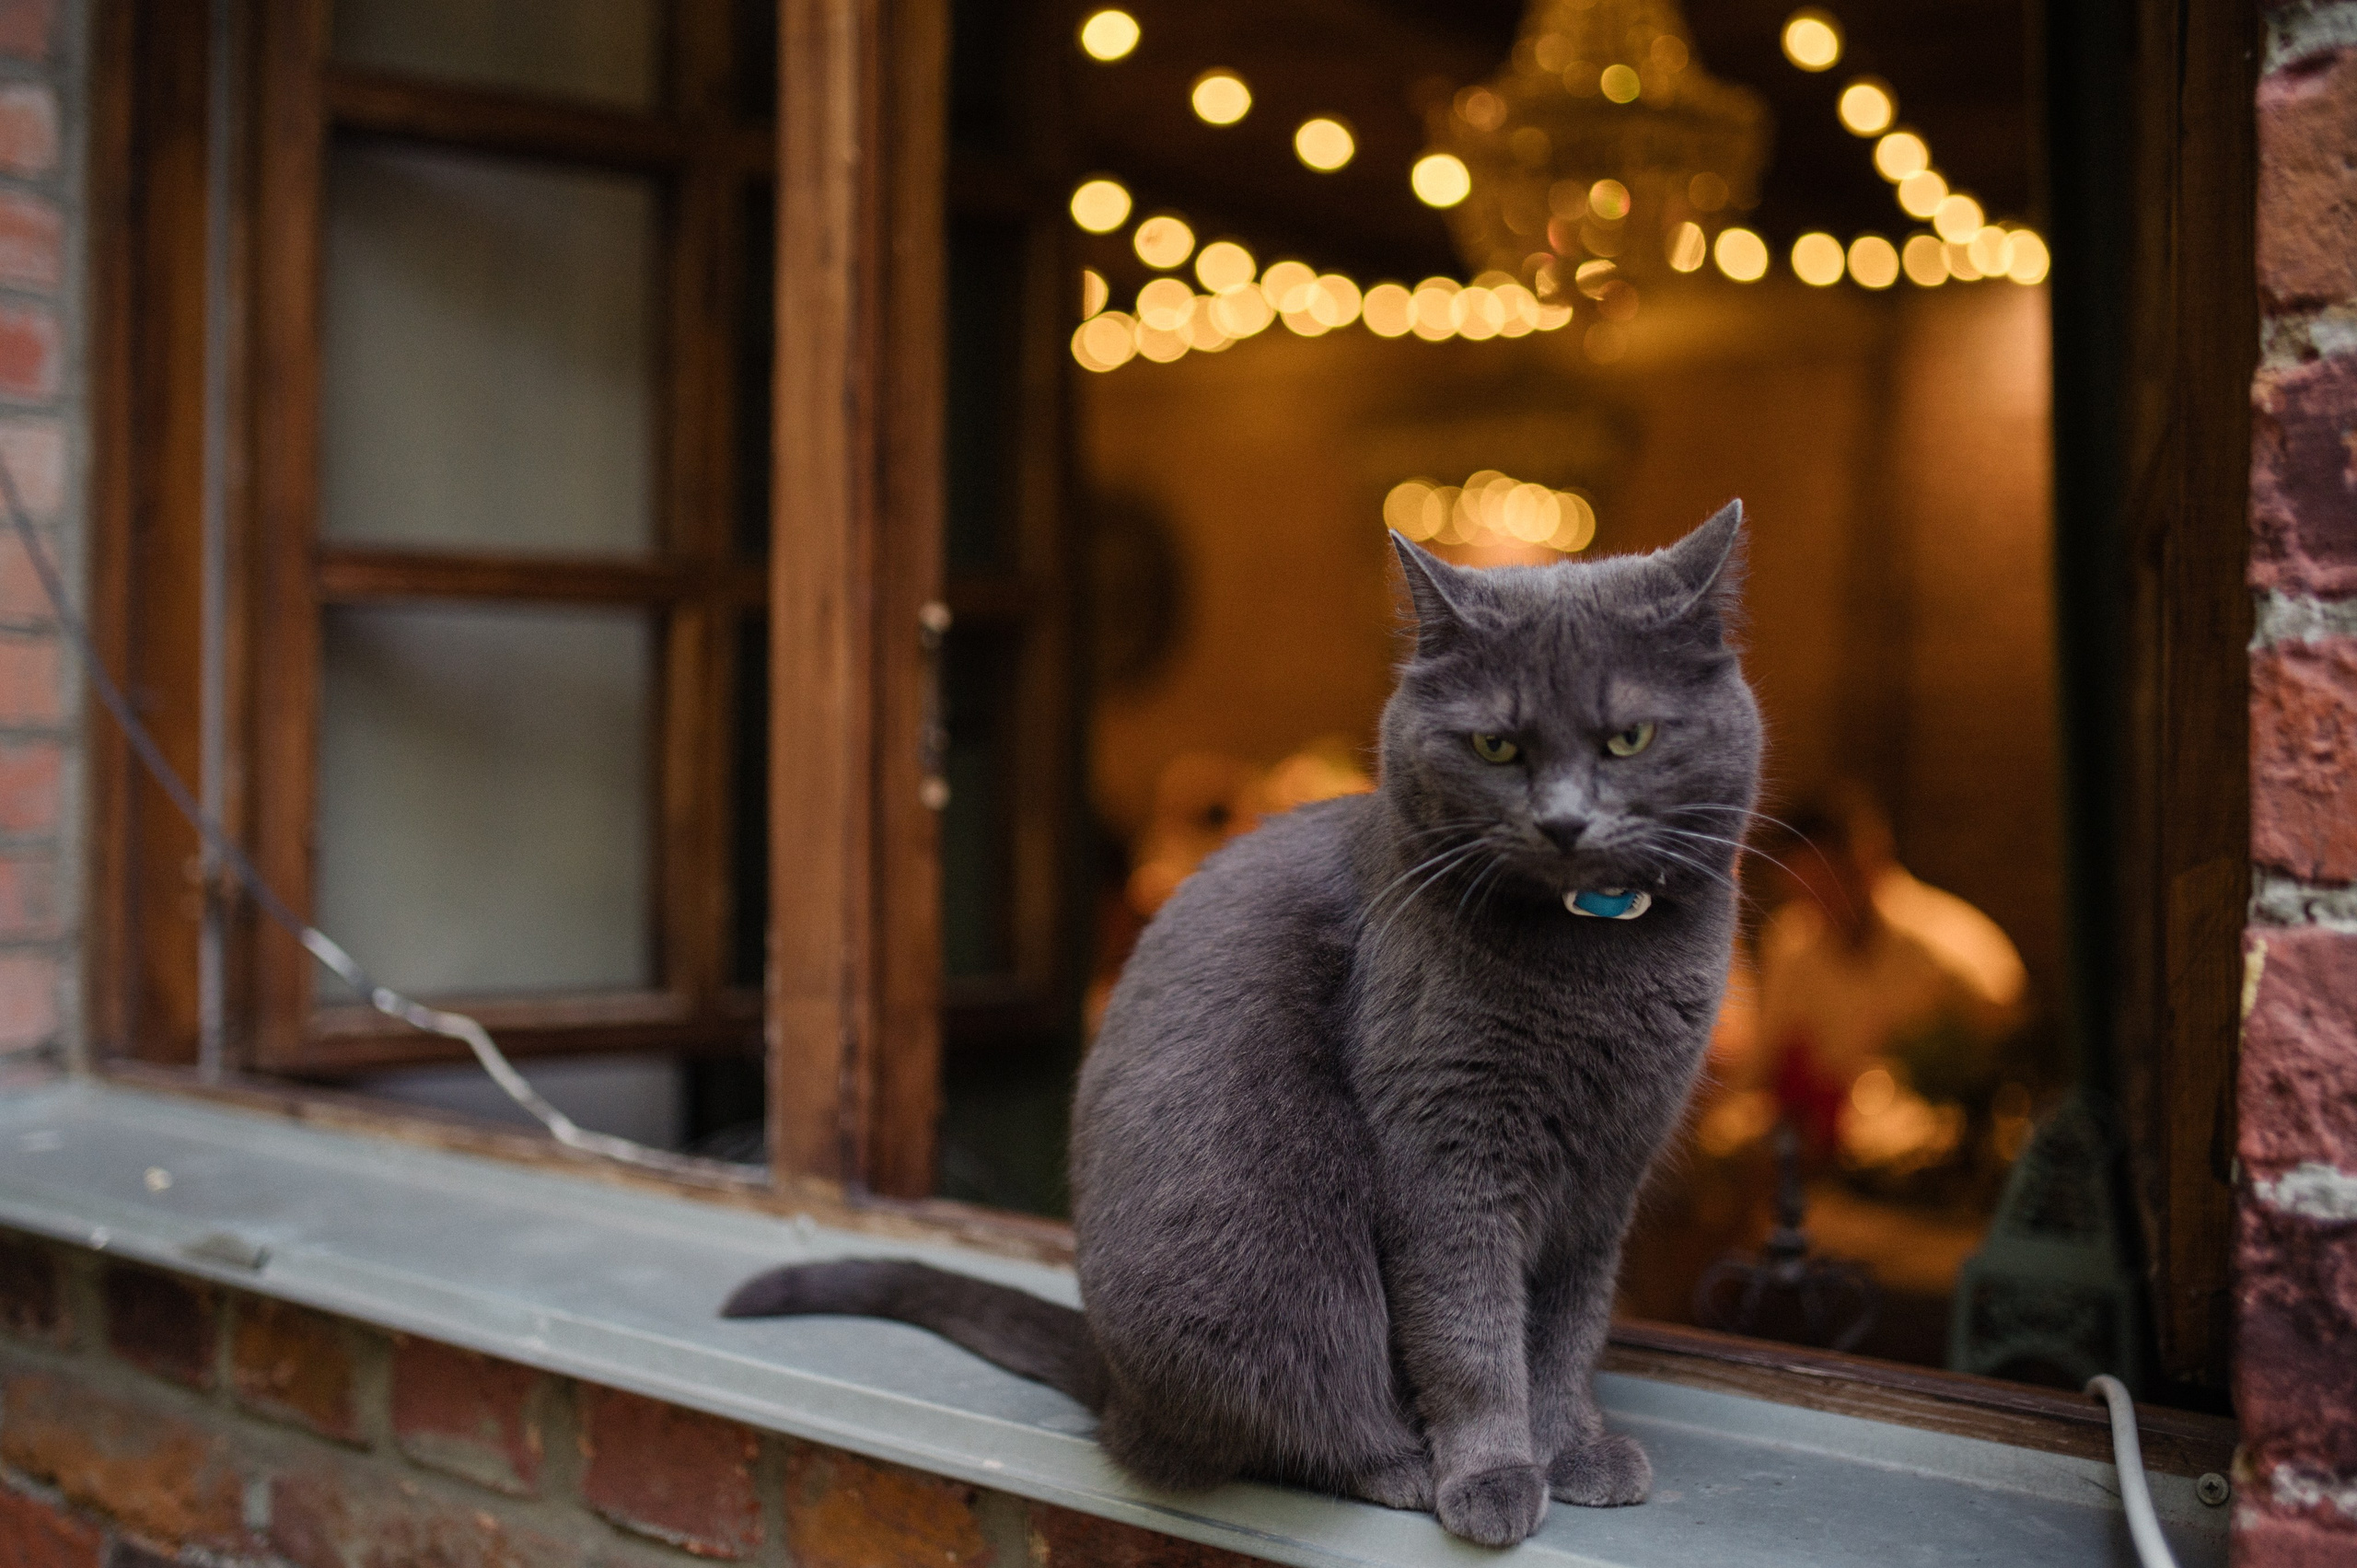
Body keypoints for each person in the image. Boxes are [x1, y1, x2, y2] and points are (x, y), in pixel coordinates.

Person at [1750, 786, 2026, 1171]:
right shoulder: (1791, 945)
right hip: (1831, 1165)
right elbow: (1766, 1068)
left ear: (1869, 861)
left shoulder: (1960, 957)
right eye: (1803, 891)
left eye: (1827, 884)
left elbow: (2006, 1089)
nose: (1816, 905)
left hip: (1935, 1169)